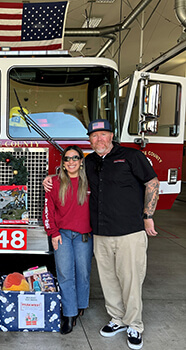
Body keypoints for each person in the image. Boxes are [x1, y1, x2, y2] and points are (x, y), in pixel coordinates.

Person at [43, 119, 159, 350]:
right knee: (108, 280)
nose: (99, 140)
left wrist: (147, 215)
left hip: (129, 231)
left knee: (131, 279)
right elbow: (69, 175)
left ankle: (134, 324)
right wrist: (50, 178)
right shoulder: (90, 162)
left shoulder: (131, 156)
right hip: (101, 233)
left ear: (112, 135)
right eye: (94, 136)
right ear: (89, 140)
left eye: (104, 135)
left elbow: (152, 182)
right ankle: (117, 319)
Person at [42, 145, 93, 335]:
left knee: (83, 273)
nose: (71, 162)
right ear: (62, 164)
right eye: (67, 159)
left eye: (75, 158)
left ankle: (81, 305)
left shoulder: (90, 183)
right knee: (65, 274)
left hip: (84, 236)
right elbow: (48, 211)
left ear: (81, 162)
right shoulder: (54, 183)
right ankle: (69, 314)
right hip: (62, 234)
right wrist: (53, 233)